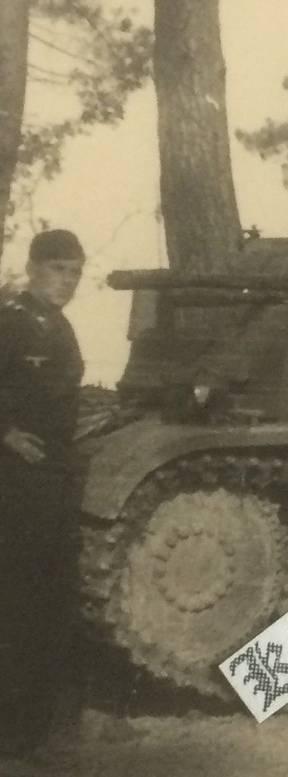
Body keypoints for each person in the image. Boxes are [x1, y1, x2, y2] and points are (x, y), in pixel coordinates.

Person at [0, 229, 85, 759]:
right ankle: (16, 737)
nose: (68, 281)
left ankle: (32, 734)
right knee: (19, 605)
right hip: (14, 481)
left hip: (50, 479)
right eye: (58, 269)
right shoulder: (10, 320)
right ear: (32, 268)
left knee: (47, 605)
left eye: (76, 272)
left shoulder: (60, 325)